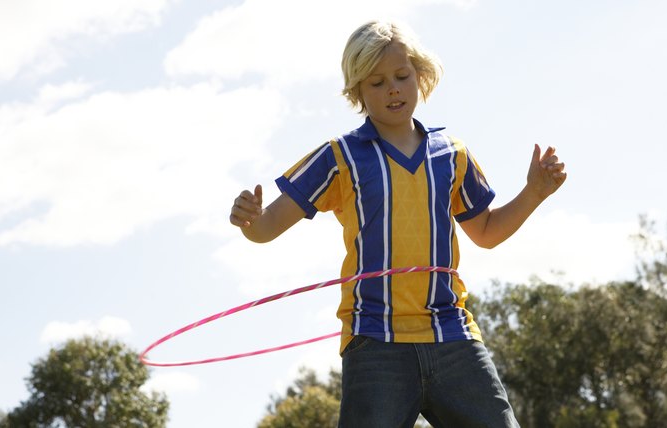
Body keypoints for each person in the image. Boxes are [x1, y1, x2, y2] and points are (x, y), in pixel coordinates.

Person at [230, 20, 566, 428]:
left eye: (402, 76)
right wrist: (250, 221)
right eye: (376, 82)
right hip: (375, 341)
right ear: (356, 91)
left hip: (452, 334)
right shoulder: (341, 156)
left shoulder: (452, 155)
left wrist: (533, 193)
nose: (392, 89)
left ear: (420, 77)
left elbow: (487, 232)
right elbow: (267, 227)